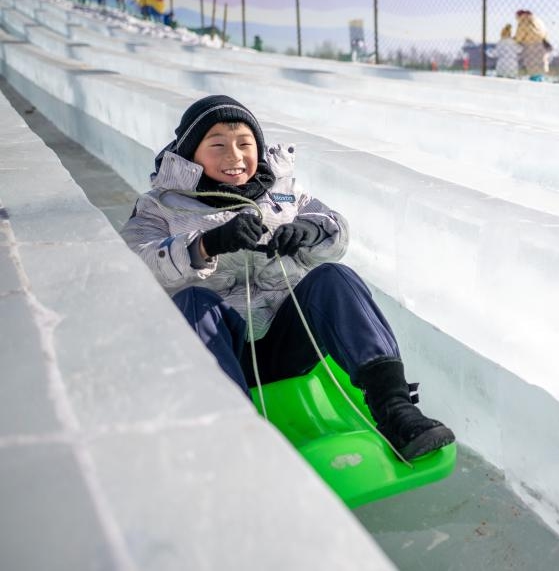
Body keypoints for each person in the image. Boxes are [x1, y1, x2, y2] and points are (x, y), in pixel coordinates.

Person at [121, 94, 456, 460]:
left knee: (334, 277)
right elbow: (137, 262)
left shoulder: (283, 192)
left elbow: (334, 228)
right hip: (218, 349)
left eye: (244, 144)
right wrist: (205, 245)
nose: (234, 157)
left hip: (287, 344)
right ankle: (234, 437)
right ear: (190, 153)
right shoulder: (160, 205)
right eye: (217, 145)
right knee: (193, 302)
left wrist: (309, 232)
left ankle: (395, 409)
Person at [514, 9, 550, 80]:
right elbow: (546, 32)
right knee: (540, 65)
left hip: (530, 45)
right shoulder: (538, 20)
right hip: (542, 43)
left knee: (532, 65)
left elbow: (520, 36)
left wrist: (515, 40)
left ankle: (534, 82)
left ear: (519, 16)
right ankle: (540, 80)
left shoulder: (523, 21)